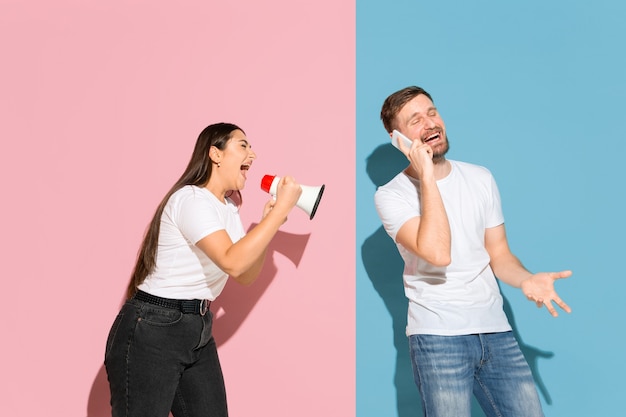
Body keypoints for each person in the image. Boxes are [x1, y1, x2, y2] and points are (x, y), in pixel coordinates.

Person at [374, 86, 572, 417]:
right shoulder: (391, 196)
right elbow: (438, 253)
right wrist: (427, 177)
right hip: (438, 337)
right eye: (415, 120)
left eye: (432, 113)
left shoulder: (480, 178)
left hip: (496, 331)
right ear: (398, 139)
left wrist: (525, 279)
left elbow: (500, 255)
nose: (430, 123)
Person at [104, 122, 302, 417]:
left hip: (197, 328)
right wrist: (280, 212)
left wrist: (268, 224)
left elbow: (244, 274)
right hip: (154, 329)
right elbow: (232, 260)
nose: (254, 155)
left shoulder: (227, 208)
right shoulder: (190, 199)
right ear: (215, 154)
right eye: (243, 145)